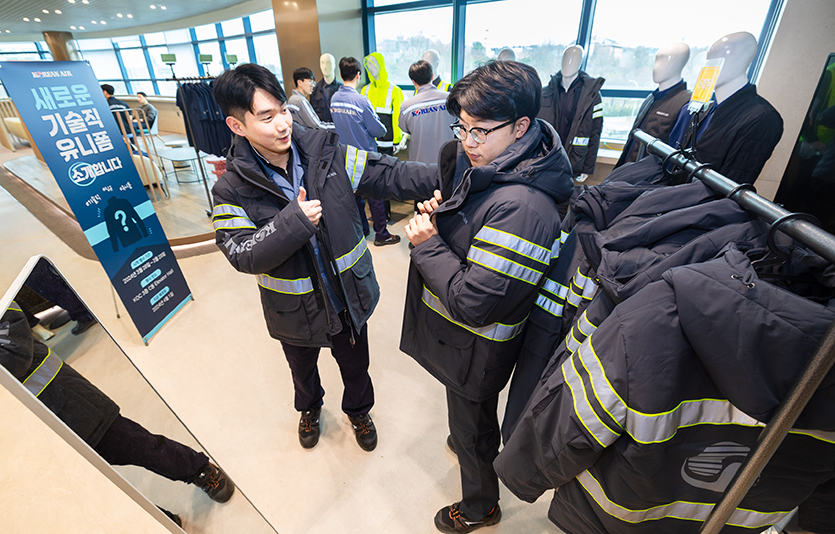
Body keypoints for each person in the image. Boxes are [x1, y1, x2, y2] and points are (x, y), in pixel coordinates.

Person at [209, 63, 436, 451]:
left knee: (356, 364)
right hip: (294, 308)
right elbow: (242, 254)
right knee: (302, 369)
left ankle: (359, 410)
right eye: (266, 117)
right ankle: (310, 408)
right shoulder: (231, 189)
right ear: (237, 126)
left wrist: (452, 173)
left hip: (347, 295)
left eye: (282, 110)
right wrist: (292, 221)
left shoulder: (325, 152)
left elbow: (391, 174)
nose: (282, 124)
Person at [390, 60, 574, 532]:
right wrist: (446, 216)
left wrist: (427, 243)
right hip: (468, 345)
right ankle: (473, 445)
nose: (467, 144)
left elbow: (473, 300)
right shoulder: (504, 166)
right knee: (470, 418)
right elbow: (477, 237)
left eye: (479, 132)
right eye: (462, 128)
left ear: (521, 127)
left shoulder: (525, 206)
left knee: (470, 425)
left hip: (478, 346)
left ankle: (479, 507)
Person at [0, 302, 235, 509]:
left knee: (137, 445)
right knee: (90, 491)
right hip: (24, 437)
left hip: (68, 403)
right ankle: (155, 521)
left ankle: (197, 470)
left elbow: (15, 353)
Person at [330, 56, 400, 246]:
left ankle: (362, 230)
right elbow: (378, 130)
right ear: (358, 74)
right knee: (375, 197)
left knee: (355, 198)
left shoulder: (335, 99)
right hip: (365, 157)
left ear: (341, 74)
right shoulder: (361, 100)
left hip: (344, 157)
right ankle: (381, 235)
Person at [399, 60, 454, 165]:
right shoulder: (450, 100)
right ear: (432, 76)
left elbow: (405, 129)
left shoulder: (407, 107)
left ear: (413, 81)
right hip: (447, 162)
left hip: (419, 165)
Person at [310, 53, 341, 123]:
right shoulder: (315, 89)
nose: (325, 67)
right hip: (322, 130)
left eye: (328, 63)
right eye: (322, 63)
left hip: (338, 129)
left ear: (334, 65)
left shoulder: (341, 88)